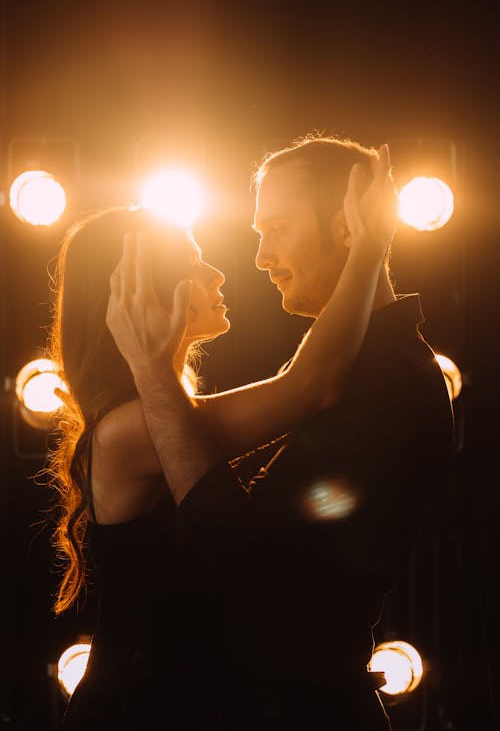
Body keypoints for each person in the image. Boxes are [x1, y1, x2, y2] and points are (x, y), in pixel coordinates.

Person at [105, 136, 455, 730]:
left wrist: (154, 378)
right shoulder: (356, 368)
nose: (261, 259)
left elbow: (248, 567)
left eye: (277, 229)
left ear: (348, 225)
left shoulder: (390, 379)